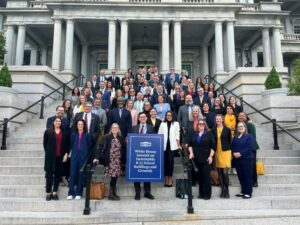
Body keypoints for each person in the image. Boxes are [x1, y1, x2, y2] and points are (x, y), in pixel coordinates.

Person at [93, 123, 126, 200]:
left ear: (118, 129)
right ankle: (111, 194)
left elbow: (124, 150)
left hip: (117, 161)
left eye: (116, 127)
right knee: (113, 177)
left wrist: (124, 161)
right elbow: (100, 147)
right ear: (111, 129)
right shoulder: (106, 137)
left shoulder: (121, 138)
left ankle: (112, 192)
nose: (115, 129)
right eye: (113, 127)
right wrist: (96, 157)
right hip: (110, 160)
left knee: (115, 177)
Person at [188, 119, 215, 200]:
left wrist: (211, 156)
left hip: (206, 158)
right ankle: (201, 194)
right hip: (196, 158)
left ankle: (207, 194)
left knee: (206, 177)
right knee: (200, 177)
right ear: (197, 125)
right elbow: (190, 145)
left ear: (205, 125)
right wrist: (191, 153)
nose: (201, 125)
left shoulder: (209, 134)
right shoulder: (194, 134)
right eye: (199, 124)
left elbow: (213, 146)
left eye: (203, 124)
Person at [43, 117, 69, 201]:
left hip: (60, 157)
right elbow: (45, 144)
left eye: (59, 121)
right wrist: (49, 153)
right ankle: (48, 192)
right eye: (56, 121)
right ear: (53, 122)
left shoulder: (64, 132)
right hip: (50, 157)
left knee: (57, 175)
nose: (58, 122)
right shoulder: (48, 132)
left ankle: (54, 192)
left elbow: (66, 145)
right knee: (49, 175)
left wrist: (66, 154)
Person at [132, 112, 155, 200]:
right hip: (136, 154)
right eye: (141, 117)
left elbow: (154, 141)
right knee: (136, 173)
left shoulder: (151, 128)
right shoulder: (134, 128)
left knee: (147, 173)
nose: (142, 118)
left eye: (144, 117)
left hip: (148, 154)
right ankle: (137, 193)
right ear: (138, 119)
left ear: (146, 118)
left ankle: (147, 192)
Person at [67, 119, 92, 200]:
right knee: (72, 174)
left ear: (84, 125)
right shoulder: (73, 134)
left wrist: (86, 157)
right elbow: (70, 146)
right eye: (79, 124)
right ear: (77, 125)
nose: (80, 126)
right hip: (74, 156)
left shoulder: (87, 135)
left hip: (83, 157)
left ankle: (78, 192)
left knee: (81, 174)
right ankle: (71, 193)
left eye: (81, 124)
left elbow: (89, 147)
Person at [158, 111, 181, 187]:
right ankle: (166, 178)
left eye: (170, 115)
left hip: (172, 146)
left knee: (170, 162)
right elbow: (159, 134)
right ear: (165, 116)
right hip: (164, 146)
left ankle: (170, 179)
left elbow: (177, 135)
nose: (169, 116)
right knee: (164, 162)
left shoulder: (176, 124)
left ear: (172, 116)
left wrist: (178, 145)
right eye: (167, 115)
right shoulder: (162, 124)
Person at [232, 122, 254, 199]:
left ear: (245, 127)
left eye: (241, 126)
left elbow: (250, 147)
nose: (240, 128)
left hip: (247, 159)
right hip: (237, 160)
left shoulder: (249, 136)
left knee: (247, 176)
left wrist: (240, 153)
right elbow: (233, 146)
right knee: (241, 176)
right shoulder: (236, 137)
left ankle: (248, 192)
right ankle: (243, 191)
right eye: (238, 127)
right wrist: (234, 153)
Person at [212, 114, 232, 199]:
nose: (218, 120)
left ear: (222, 120)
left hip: (226, 152)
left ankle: (227, 190)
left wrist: (231, 153)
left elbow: (230, 141)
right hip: (217, 152)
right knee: (219, 172)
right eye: (217, 119)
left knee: (224, 172)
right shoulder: (213, 130)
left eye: (219, 119)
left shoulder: (227, 129)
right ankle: (222, 189)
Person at [238, 112, 260, 187]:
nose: (241, 117)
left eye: (243, 116)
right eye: (240, 116)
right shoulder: (239, 125)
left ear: (246, 117)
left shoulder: (250, 124)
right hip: (242, 148)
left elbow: (252, 137)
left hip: (251, 148)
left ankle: (255, 181)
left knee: (252, 165)